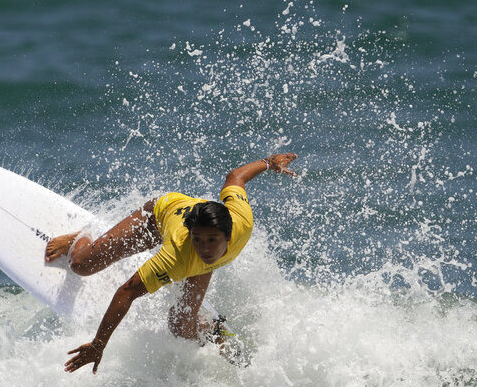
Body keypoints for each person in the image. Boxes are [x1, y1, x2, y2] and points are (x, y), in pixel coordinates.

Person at [44, 153, 298, 374]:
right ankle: (80, 238)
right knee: (82, 265)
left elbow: (236, 177)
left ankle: (214, 328)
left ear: (229, 236)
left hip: (199, 221)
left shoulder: (241, 221)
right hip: (159, 215)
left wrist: (269, 163)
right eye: (198, 241)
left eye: (212, 241)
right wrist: (98, 344)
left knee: (180, 328)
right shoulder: (175, 257)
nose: (205, 248)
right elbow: (126, 292)